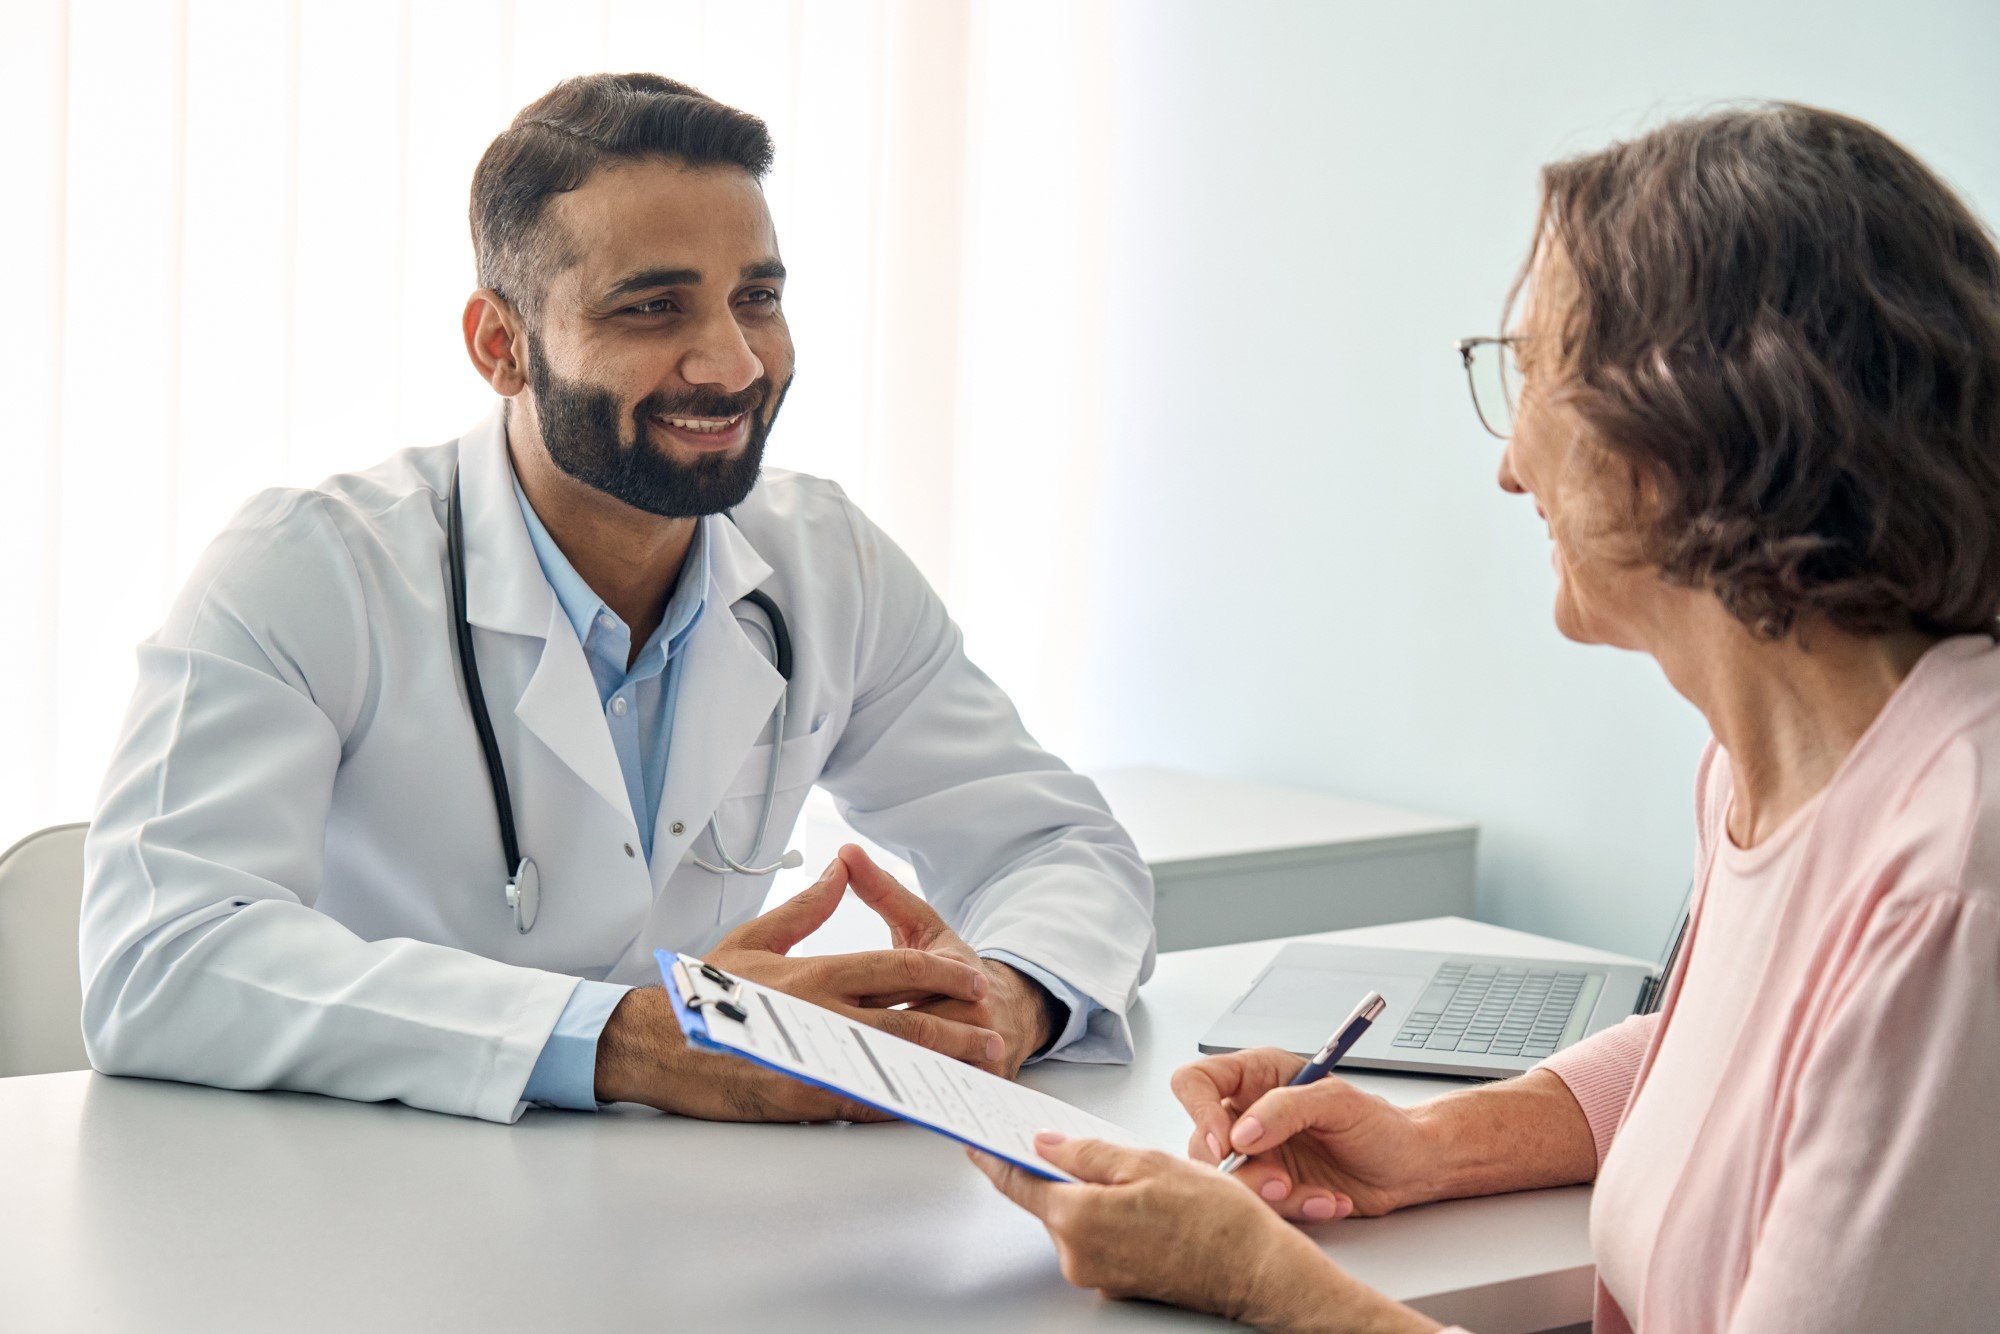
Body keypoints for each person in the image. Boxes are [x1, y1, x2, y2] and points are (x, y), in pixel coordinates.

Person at [972, 102, 2000, 1332]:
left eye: (1532, 369)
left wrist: (1263, 1280)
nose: (1508, 463)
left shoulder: (1953, 878)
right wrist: (1428, 1143)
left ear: (1690, 421)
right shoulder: (1773, 762)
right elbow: (1726, 1071)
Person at [79, 73, 1155, 1125]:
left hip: (702, 1216)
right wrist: (635, 1039)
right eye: (652, 307)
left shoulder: (827, 562)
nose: (732, 362)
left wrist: (1007, 997)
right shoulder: (309, 569)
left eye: (758, 299)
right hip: (376, 1213)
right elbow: (158, 956)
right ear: (501, 344)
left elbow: (1057, 848)